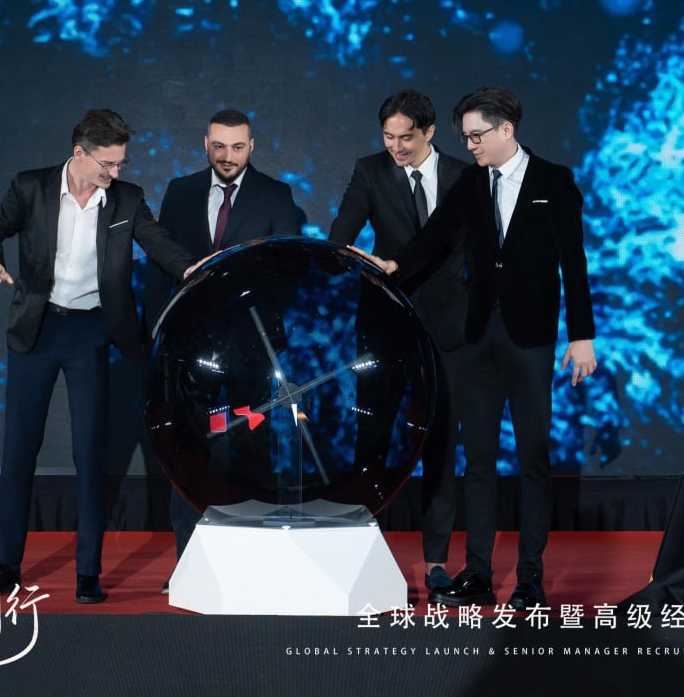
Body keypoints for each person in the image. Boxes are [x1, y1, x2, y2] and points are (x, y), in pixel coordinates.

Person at [365, 86, 597, 610]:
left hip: (531, 338)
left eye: (476, 136)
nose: (469, 146)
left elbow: (574, 261)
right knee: (479, 459)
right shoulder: (471, 183)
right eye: (465, 137)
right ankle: (477, 571)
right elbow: (435, 237)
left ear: (506, 130)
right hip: (477, 338)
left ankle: (530, 576)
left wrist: (581, 335)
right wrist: (396, 264)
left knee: (533, 456)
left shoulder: (553, 181)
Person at [0, 108, 198, 604]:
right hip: (37, 329)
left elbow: (159, 244)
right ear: (79, 153)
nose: (115, 173)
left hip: (91, 332)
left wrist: (194, 269)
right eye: (107, 164)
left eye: (120, 164)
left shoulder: (126, 199)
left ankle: (87, 573)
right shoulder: (30, 187)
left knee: (90, 452)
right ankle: (5, 566)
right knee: (19, 451)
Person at [144, 108, 303, 586]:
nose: (227, 156)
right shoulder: (180, 191)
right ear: (205, 144)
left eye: (236, 147)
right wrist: (158, 333)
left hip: (251, 352)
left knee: (250, 451)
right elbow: (161, 269)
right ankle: (189, 568)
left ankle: (249, 566)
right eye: (218, 146)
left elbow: (289, 272)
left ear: (251, 146)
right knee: (189, 451)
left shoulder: (276, 195)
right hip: (189, 350)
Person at [327, 89, 472, 595]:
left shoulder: (463, 177)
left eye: (405, 137)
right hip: (385, 322)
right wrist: (343, 254)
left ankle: (436, 564)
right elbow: (342, 232)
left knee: (441, 444)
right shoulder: (370, 171)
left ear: (429, 132)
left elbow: (461, 245)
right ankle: (357, 553)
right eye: (388, 137)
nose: (395, 147)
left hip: (450, 326)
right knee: (372, 435)